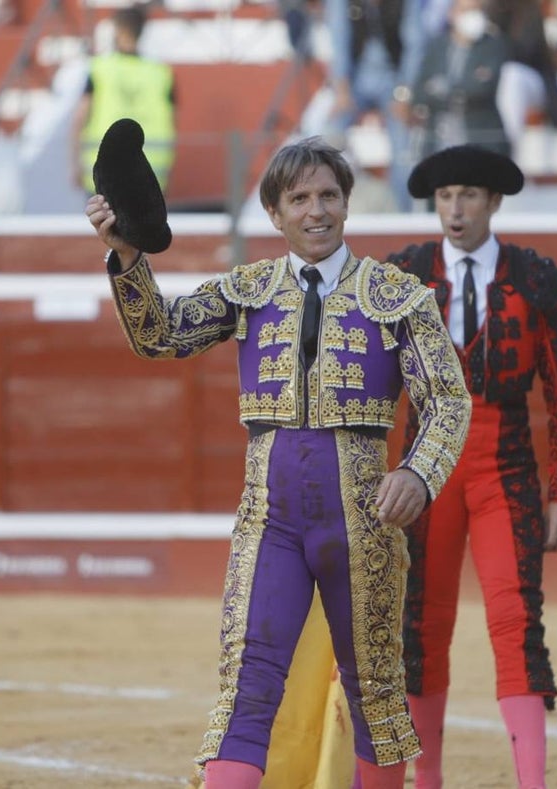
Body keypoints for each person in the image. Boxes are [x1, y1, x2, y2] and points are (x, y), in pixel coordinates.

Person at [86, 135, 472, 789]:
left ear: (347, 205)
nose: (316, 210)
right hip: (270, 517)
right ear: (275, 214)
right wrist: (126, 254)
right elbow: (160, 334)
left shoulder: (399, 296)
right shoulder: (249, 288)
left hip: (365, 520)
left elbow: (449, 403)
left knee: (373, 690)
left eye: (328, 196)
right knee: (248, 679)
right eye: (300, 198)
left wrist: (416, 471)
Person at [386, 144, 557, 788]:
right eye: (445, 197)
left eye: (468, 195)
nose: (455, 208)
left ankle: (532, 784)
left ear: (494, 202)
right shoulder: (403, 275)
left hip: (505, 468)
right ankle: (428, 781)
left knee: (515, 619)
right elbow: (368, 386)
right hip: (425, 470)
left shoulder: (533, 278)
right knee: (421, 621)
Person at [325, 0, 424, 211]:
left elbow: (415, 45)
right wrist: (341, 88)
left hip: (394, 80)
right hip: (355, 80)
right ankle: (326, 205)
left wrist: (404, 95)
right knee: (325, 132)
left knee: (402, 146)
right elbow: (338, 39)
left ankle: (401, 213)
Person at [71, 5, 175, 195]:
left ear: (117, 30)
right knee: (143, 225)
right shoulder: (160, 73)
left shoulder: (100, 68)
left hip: (105, 169)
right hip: (151, 170)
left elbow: (80, 117)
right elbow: (172, 119)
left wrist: (74, 162)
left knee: (105, 224)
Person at [405, 0, 511, 160]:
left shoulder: (493, 45)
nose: (471, 16)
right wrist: (459, 89)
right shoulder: (436, 46)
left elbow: (482, 89)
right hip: (438, 137)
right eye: (465, 10)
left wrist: (442, 87)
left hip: (479, 138)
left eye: (475, 10)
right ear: (452, 14)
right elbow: (420, 91)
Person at [485, 0, 557, 161]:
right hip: (488, 85)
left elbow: (524, 52)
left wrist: (492, 32)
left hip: (533, 78)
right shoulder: (481, 11)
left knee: (511, 76)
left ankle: (506, 154)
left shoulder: (528, 8)